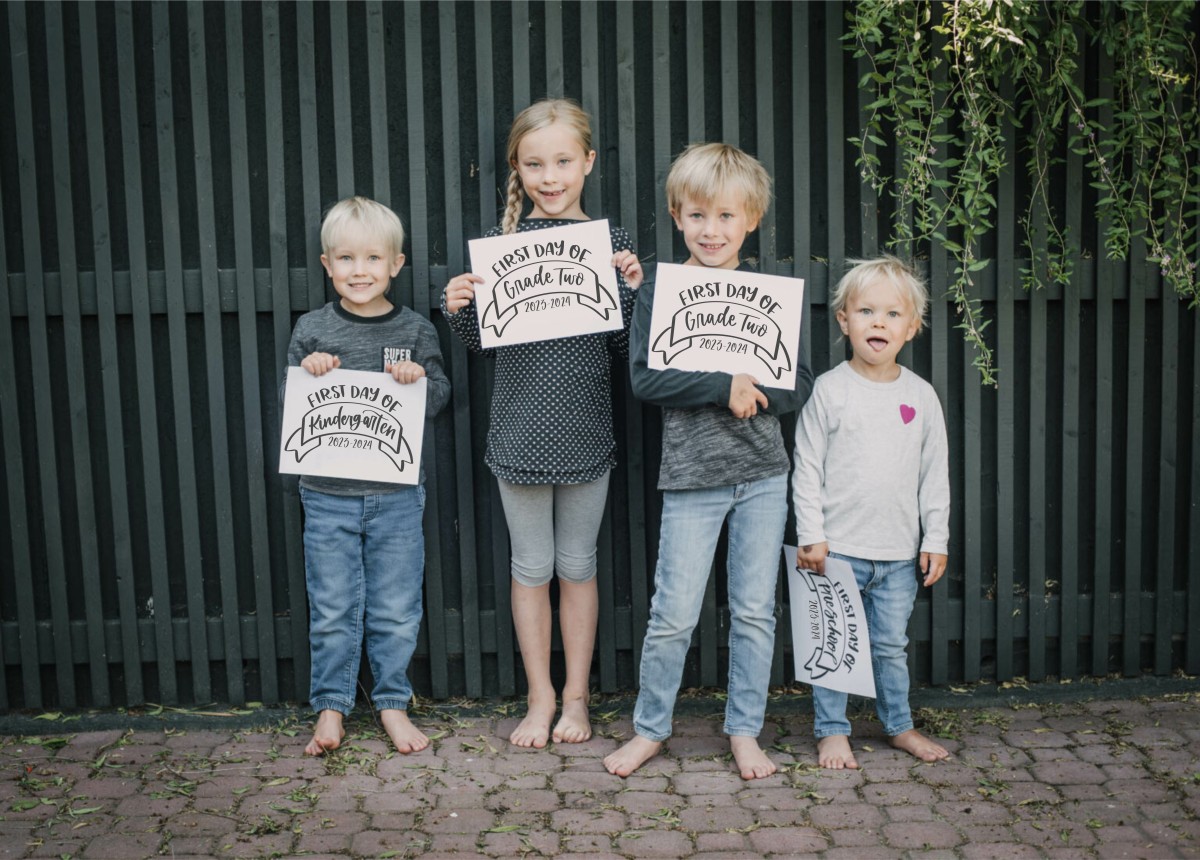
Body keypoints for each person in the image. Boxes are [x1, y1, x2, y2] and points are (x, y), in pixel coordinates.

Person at [603, 143, 814, 780]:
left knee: (753, 610)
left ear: (750, 220)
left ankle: (745, 730)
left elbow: (795, 384)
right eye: (697, 216)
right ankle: (650, 730)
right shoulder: (660, 289)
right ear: (676, 215)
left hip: (762, 475)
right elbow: (645, 379)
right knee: (673, 613)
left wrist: (755, 390)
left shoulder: (773, 293)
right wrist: (722, 383)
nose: (711, 230)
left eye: (725, 216)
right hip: (692, 478)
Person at [441, 99, 644, 748]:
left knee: (578, 565)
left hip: (587, 432)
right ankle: (541, 696)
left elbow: (627, 352)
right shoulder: (502, 248)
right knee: (531, 567)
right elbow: (483, 345)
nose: (550, 176)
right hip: (520, 434)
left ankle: (577, 700)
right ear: (517, 169)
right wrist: (458, 306)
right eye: (535, 164)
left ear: (587, 162)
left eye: (562, 161)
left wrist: (631, 292)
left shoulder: (608, 247)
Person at [287, 196, 451, 756]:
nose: (361, 271)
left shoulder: (414, 329)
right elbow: (294, 405)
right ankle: (330, 709)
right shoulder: (312, 329)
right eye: (347, 259)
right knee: (331, 606)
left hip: (398, 497)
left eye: (373, 259)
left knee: (396, 607)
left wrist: (416, 380)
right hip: (326, 496)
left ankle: (392, 705)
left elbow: (440, 395)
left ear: (396, 265)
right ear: (327, 264)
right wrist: (306, 372)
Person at [791, 255, 951, 769]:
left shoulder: (921, 397)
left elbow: (934, 475)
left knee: (889, 647)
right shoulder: (831, 391)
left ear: (911, 327)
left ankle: (898, 726)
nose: (878, 322)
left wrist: (936, 539)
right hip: (837, 549)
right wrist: (811, 534)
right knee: (833, 645)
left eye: (891, 314)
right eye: (865, 311)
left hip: (899, 554)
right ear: (844, 320)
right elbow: (807, 467)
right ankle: (832, 730)